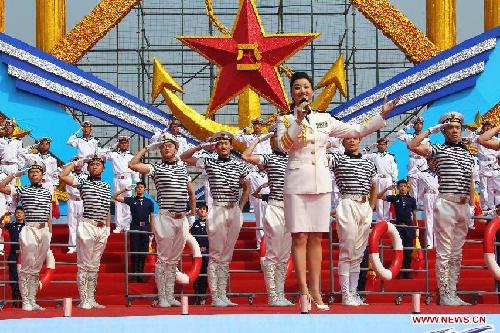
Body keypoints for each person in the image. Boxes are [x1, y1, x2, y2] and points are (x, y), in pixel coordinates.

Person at [276, 71, 397, 310]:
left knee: (316, 238)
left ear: (312, 91)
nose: (303, 91)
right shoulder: (285, 120)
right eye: (297, 88)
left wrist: (382, 115)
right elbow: (283, 145)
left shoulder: (324, 119)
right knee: (299, 237)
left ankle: (316, 291)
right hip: (297, 184)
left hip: (321, 184)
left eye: (306, 87)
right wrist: (298, 120)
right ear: (291, 93)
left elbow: (356, 130)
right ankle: (303, 293)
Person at [408, 112, 475, 306]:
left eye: (457, 127)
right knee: (445, 252)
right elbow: (412, 145)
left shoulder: (467, 153)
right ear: (444, 130)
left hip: (463, 205)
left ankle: (453, 292)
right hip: (446, 203)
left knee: (457, 253)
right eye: (450, 127)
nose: (455, 131)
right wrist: (431, 130)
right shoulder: (437, 149)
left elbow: (470, 180)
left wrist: (471, 205)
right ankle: (445, 294)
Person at [181, 131, 250, 307]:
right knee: (216, 254)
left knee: (227, 255)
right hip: (218, 208)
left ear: (231, 146)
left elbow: (246, 186)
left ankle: (223, 294)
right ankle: (216, 295)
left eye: (226, 143)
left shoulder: (239, 165)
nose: (223, 146)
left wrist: (240, 207)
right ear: (215, 147)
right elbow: (184, 157)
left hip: (233, 209)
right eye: (219, 144)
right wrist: (202, 147)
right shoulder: (208, 161)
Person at [128, 133, 196, 307]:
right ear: (160, 150)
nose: (166, 148)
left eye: (170, 145)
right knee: (164, 258)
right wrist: (146, 148)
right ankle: (162, 296)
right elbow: (132, 164)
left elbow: (191, 191)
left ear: (176, 149)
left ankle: (170, 294)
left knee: (174, 260)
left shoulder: (183, 168)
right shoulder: (156, 168)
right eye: (163, 146)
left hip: (182, 219)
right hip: (166, 217)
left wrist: (193, 213)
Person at [242, 131, 293, 306]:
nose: (278, 141)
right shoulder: (268, 158)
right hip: (275, 207)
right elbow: (245, 156)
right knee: (273, 253)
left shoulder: (295, 157)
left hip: (292, 209)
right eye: (274, 139)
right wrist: (258, 139)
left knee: (285, 255)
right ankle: (273, 295)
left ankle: (281, 293)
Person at [328, 137, 377, 306]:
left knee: (359, 253)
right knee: (347, 250)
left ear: (360, 140)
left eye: (355, 138)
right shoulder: (337, 158)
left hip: (364, 207)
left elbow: (374, 186)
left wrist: (371, 207)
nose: (352, 141)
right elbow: (321, 158)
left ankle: (354, 292)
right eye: (347, 139)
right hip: (348, 203)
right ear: (343, 142)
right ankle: (345, 293)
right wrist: (329, 141)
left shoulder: (369, 163)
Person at [59, 154, 111, 310]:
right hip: (87, 225)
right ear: (88, 167)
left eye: (98, 164)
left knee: (95, 266)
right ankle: (84, 299)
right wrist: (76, 162)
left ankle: (91, 297)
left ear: (103, 167)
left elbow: (107, 207)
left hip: (101, 228)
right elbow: (63, 175)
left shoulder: (107, 186)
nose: (95, 166)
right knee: (84, 265)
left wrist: (108, 227)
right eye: (92, 164)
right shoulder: (83, 181)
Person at [0, 161, 53, 311]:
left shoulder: (47, 192)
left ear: (42, 175)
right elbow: (1, 187)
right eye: (31, 172)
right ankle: (26, 301)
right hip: (30, 229)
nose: (34, 174)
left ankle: (32, 299)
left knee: (36, 268)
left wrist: (50, 231)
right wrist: (14, 175)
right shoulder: (23, 189)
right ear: (28, 176)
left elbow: (48, 214)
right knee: (26, 267)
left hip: (44, 231)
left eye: (37, 172)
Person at [113, 181, 154, 283]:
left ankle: (140, 274)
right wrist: (125, 189)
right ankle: (134, 275)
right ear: (135, 189)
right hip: (135, 228)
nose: (139, 189)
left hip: (145, 228)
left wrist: (152, 232)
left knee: (143, 253)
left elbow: (152, 218)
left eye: (141, 187)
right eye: (138, 187)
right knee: (135, 251)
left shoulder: (149, 202)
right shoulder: (131, 200)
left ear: (144, 189)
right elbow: (115, 197)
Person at [378, 180, 418, 279]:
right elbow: (378, 196)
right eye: (400, 186)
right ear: (398, 188)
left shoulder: (412, 200)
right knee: (399, 249)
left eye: (404, 186)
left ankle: (407, 271)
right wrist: (387, 189)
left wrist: (415, 227)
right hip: (399, 227)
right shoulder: (394, 198)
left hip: (409, 227)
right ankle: (399, 271)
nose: (403, 188)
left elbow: (414, 214)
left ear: (407, 188)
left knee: (408, 250)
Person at [105, 136, 141, 233]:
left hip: (128, 179)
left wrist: (137, 182)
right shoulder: (113, 154)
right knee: (118, 203)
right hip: (117, 179)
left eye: (125, 143)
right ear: (119, 144)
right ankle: (119, 225)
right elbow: (103, 154)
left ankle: (127, 225)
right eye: (121, 143)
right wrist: (114, 145)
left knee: (127, 202)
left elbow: (135, 170)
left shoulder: (131, 156)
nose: (124, 144)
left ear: (128, 144)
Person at [363, 137, 398, 221]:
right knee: (378, 200)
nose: (382, 146)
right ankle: (379, 220)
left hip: (388, 179)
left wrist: (394, 180)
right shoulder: (373, 155)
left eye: (384, 144)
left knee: (387, 199)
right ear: (377, 146)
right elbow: (363, 155)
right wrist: (371, 147)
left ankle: (386, 221)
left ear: (386, 146)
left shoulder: (391, 156)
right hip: (378, 179)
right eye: (380, 144)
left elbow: (394, 169)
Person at [397, 116, 429, 205]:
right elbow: (398, 135)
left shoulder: (426, 138)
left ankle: (422, 204)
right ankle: (413, 204)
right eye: (416, 124)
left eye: (420, 124)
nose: (419, 126)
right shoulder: (409, 136)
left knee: (423, 182)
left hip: (422, 160)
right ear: (414, 126)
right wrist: (407, 127)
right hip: (413, 159)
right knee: (413, 183)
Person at [470, 121, 500, 212]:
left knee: (494, 188)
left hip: (494, 165)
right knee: (484, 188)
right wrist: (477, 129)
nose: (487, 128)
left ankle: (493, 206)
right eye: (485, 126)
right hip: (483, 164)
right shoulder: (479, 138)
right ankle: (485, 207)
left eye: (489, 126)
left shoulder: (497, 139)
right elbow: (470, 139)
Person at [0, 207, 25, 307]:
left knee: (23, 277)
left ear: (24, 214)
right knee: (13, 277)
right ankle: (15, 300)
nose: (18, 214)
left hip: (24, 255)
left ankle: (23, 300)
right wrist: (4, 215)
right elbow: (1, 224)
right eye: (17, 213)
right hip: (13, 255)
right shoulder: (11, 225)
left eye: (20, 213)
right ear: (14, 214)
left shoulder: (27, 226)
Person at [65, 157, 88, 254]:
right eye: (76, 162)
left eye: (80, 163)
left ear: (83, 164)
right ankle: (72, 246)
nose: (78, 164)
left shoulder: (87, 176)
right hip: (72, 201)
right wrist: (72, 164)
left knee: (83, 225)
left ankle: (82, 246)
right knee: (72, 224)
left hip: (83, 201)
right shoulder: (68, 175)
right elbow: (63, 172)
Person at [244, 164, 268, 249]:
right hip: (259, 199)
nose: (261, 165)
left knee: (270, 221)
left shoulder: (271, 174)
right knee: (260, 221)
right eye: (259, 163)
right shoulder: (252, 174)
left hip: (270, 198)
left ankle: (269, 244)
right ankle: (260, 244)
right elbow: (243, 179)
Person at [418, 158, 439, 248]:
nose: (434, 164)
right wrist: (421, 202)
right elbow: (420, 190)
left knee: (439, 220)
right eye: (432, 162)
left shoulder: (441, 174)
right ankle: (429, 243)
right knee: (429, 220)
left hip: (439, 196)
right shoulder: (423, 174)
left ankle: (437, 243)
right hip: (429, 196)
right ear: (428, 163)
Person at [191, 202, 209, 305]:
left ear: (207, 212)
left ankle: (203, 296)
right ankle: (196, 295)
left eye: (204, 209)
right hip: (196, 253)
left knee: (204, 275)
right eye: (200, 209)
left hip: (207, 253)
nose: (202, 211)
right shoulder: (194, 224)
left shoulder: (210, 224)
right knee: (196, 274)